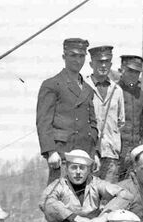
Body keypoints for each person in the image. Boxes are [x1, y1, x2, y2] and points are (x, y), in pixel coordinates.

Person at [36, 38, 99, 184]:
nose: (77, 60)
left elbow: (93, 124)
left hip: (85, 154)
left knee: (84, 201)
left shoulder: (88, 89)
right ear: (64, 57)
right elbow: (44, 122)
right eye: (73, 55)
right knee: (59, 197)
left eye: (81, 56)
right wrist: (50, 151)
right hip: (62, 154)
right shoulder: (52, 84)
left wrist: (95, 152)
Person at [39, 149, 132, 222]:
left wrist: (104, 217)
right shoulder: (59, 185)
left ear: (88, 170)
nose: (78, 172)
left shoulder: (96, 183)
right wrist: (75, 218)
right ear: (66, 169)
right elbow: (46, 202)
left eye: (82, 168)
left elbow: (125, 195)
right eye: (74, 167)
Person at [85, 45, 125, 183]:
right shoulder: (83, 86)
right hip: (89, 152)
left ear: (111, 64)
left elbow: (121, 121)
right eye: (99, 62)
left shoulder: (117, 90)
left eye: (106, 62)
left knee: (108, 198)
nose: (103, 65)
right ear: (91, 64)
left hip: (110, 153)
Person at [117, 55, 143, 181]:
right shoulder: (114, 91)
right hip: (117, 150)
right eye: (130, 71)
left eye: (137, 72)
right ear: (122, 70)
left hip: (134, 150)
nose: (133, 75)